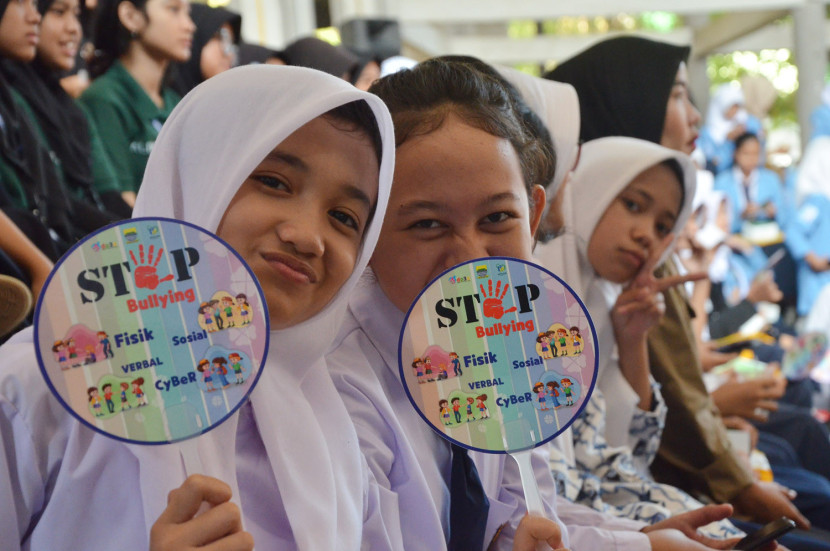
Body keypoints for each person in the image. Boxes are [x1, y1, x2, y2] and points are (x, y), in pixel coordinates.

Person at [329, 57, 746, 551]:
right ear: (367, 229)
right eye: (426, 224)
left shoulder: (502, 343)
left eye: (497, 218)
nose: (469, 259)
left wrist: (642, 543)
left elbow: (524, 516)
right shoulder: (345, 392)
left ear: (534, 218)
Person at [0, 64, 402, 550]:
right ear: (197, 174)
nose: (308, 237)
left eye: (344, 217)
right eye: (274, 182)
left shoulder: (334, 430)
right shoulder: (38, 391)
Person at [547, 34, 821, 541]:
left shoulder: (609, 281)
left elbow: (620, 447)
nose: (694, 117)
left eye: (662, 223)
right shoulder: (545, 292)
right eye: (675, 95)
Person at [2, 0, 132, 219]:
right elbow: (50, 206)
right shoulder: (15, 99)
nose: (74, 28)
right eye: (58, 12)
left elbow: (107, 193)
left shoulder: (73, 110)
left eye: (77, 15)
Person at [78, 0, 194, 205]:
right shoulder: (104, 98)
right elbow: (122, 202)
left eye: (188, 12)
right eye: (174, 9)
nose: (189, 25)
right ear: (131, 17)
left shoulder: (177, 104)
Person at [168, 3, 240, 97]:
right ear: (197, 38)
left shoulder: (216, 99)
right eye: (220, 37)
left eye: (231, 43)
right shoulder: (172, 101)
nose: (229, 54)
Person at [698, 83, 764, 175]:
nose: (734, 110)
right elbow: (712, 163)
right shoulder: (707, 133)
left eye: (737, 106)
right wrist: (728, 140)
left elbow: (760, 150)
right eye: (730, 106)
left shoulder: (750, 123)